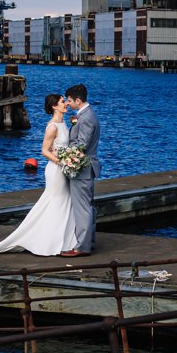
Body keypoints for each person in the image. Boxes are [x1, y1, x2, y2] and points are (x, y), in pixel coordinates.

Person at [0, 94, 78, 257]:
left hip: (63, 168)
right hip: (56, 170)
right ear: (54, 106)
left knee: (64, 202)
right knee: (56, 201)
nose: (66, 103)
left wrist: (70, 157)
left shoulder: (63, 123)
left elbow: (61, 146)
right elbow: (44, 151)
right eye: (62, 102)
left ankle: (63, 241)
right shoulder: (52, 126)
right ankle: (49, 241)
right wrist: (62, 162)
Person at [61, 83, 100, 257]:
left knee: (82, 208)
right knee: (88, 207)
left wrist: (64, 154)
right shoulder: (88, 115)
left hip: (82, 168)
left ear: (78, 100)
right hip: (88, 167)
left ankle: (82, 247)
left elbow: (81, 144)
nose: (68, 104)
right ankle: (88, 242)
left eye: (69, 100)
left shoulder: (86, 117)